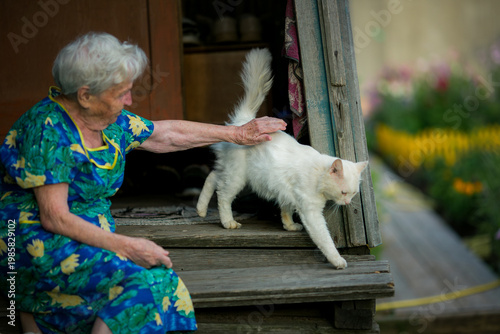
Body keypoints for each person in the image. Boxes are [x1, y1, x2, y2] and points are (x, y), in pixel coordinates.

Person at [0, 32, 286, 333]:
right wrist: (128, 246)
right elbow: (54, 216)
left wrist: (237, 134)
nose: (129, 100)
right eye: (121, 92)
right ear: (85, 95)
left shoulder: (108, 121)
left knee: (161, 284)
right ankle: (35, 315)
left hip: (86, 235)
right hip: (38, 244)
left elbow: (165, 134)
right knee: (146, 285)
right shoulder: (48, 129)